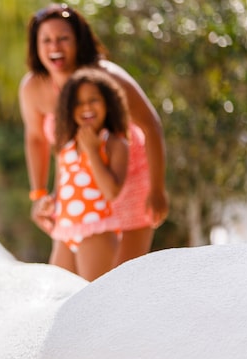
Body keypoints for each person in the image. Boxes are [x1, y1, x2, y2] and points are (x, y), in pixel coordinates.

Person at [18, 3, 169, 271]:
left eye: (64, 38)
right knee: (67, 285)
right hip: (80, 197)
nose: (55, 46)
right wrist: (40, 194)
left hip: (127, 184)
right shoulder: (33, 88)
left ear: (78, 41)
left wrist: (157, 189)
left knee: (121, 283)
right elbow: (37, 139)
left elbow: (150, 125)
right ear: (35, 46)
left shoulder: (106, 79)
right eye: (47, 40)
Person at [47, 67, 129, 280]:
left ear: (108, 104)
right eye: (78, 102)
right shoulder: (65, 145)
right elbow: (60, 189)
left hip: (96, 230)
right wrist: (47, 203)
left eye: (94, 100)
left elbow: (111, 191)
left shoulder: (115, 144)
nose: (86, 108)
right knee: (59, 297)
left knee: (92, 299)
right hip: (65, 232)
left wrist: (93, 151)